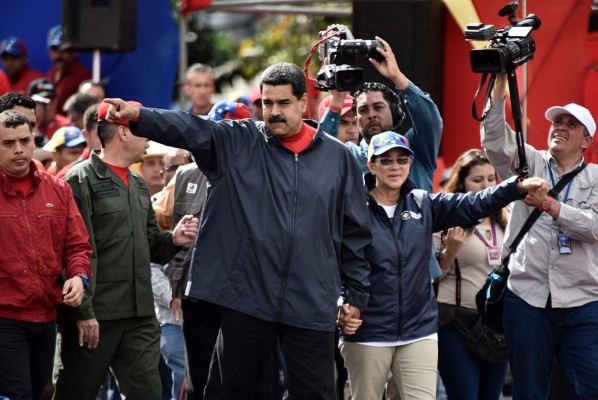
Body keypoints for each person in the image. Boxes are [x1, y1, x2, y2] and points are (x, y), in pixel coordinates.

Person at [102, 61, 371, 399]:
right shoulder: (238, 141)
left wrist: (356, 297)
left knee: (317, 394)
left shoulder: (338, 157)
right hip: (247, 298)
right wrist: (139, 116)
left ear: (304, 103)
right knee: (227, 393)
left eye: (283, 103)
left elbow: (355, 234)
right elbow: (189, 127)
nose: (273, 112)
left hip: (312, 301)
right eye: (268, 103)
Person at [337, 131, 547, 400]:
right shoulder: (351, 208)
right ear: (371, 165)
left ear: (410, 164)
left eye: (402, 160)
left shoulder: (424, 203)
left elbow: (474, 202)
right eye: (386, 160)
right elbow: (329, 261)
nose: (394, 167)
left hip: (418, 330)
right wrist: (340, 300)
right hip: (368, 330)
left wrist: (515, 188)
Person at [53, 101, 199, 399]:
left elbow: (149, 243)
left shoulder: (138, 183)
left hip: (140, 314)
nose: (148, 139)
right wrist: (83, 313)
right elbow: (71, 252)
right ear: (122, 133)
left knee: (148, 393)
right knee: (75, 392)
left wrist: (173, 240)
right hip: (97, 316)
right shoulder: (79, 180)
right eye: (143, 131)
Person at [481, 73, 598, 399]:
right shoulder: (527, 161)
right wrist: (500, 83)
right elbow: (493, 138)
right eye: (556, 121)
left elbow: (595, 228)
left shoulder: (597, 177)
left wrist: (549, 205)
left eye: (570, 124)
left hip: (583, 301)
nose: (559, 127)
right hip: (526, 298)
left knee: (591, 386)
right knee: (529, 392)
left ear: (587, 141)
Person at [0, 109, 91, 400]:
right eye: (8, 143)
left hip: (47, 315)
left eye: (24, 141)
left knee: (42, 392)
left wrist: (78, 277)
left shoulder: (58, 189)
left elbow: (77, 245)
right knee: (20, 394)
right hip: (5, 315)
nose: (18, 149)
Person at [435, 149, 509, 400]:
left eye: (491, 179)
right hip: (455, 322)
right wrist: (449, 251)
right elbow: (430, 276)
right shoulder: (445, 219)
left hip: (495, 326)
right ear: (461, 184)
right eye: (478, 180)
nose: (486, 185)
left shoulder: (506, 218)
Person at [45, 25, 91, 116]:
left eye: (63, 50)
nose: (58, 55)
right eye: (54, 49)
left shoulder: (83, 76)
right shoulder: (50, 73)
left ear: (73, 51)